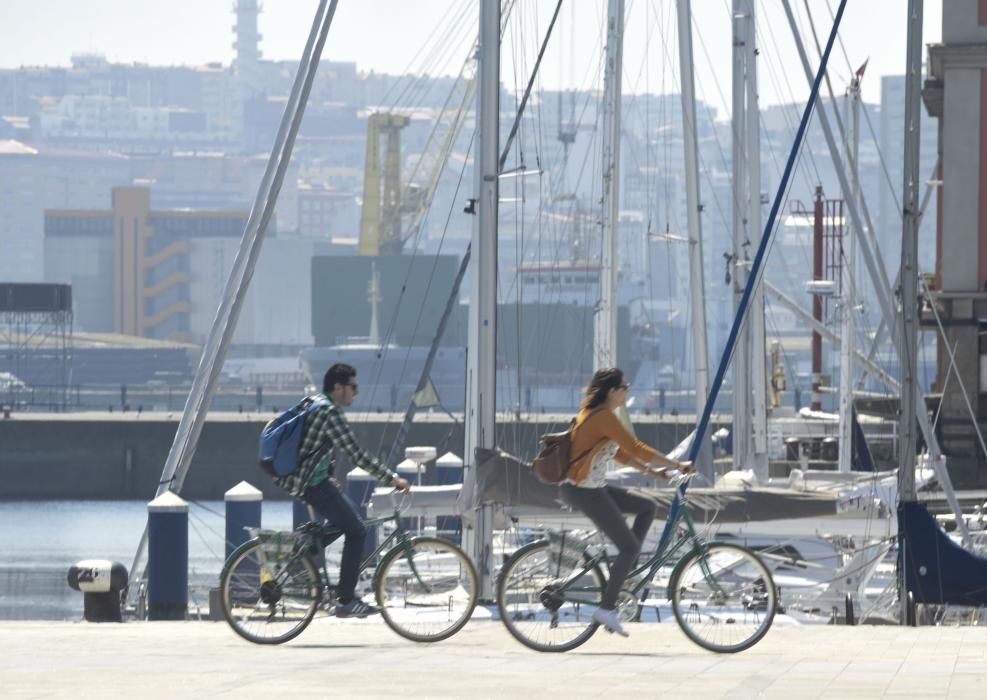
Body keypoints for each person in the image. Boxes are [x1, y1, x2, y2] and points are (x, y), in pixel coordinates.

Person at [562, 367, 692, 637]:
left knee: (647, 507)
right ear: (613, 391)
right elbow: (635, 448)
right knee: (629, 547)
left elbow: (619, 454)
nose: (627, 391)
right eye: (625, 387)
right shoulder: (603, 417)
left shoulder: (599, 416)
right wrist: (677, 463)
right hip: (585, 491)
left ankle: (622, 576)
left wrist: (653, 472)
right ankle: (607, 607)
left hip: (592, 488)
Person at [273, 362, 411, 618]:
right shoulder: (330, 413)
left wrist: (325, 474)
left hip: (309, 480)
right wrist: (391, 478)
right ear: (338, 388)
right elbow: (356, 454)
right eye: (353, 387)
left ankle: (304, 549)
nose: (355, 393)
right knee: (357, 531)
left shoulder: (315, 401)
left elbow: (313, 446)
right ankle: (346, 599)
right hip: (311, 484)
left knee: (346, 520)